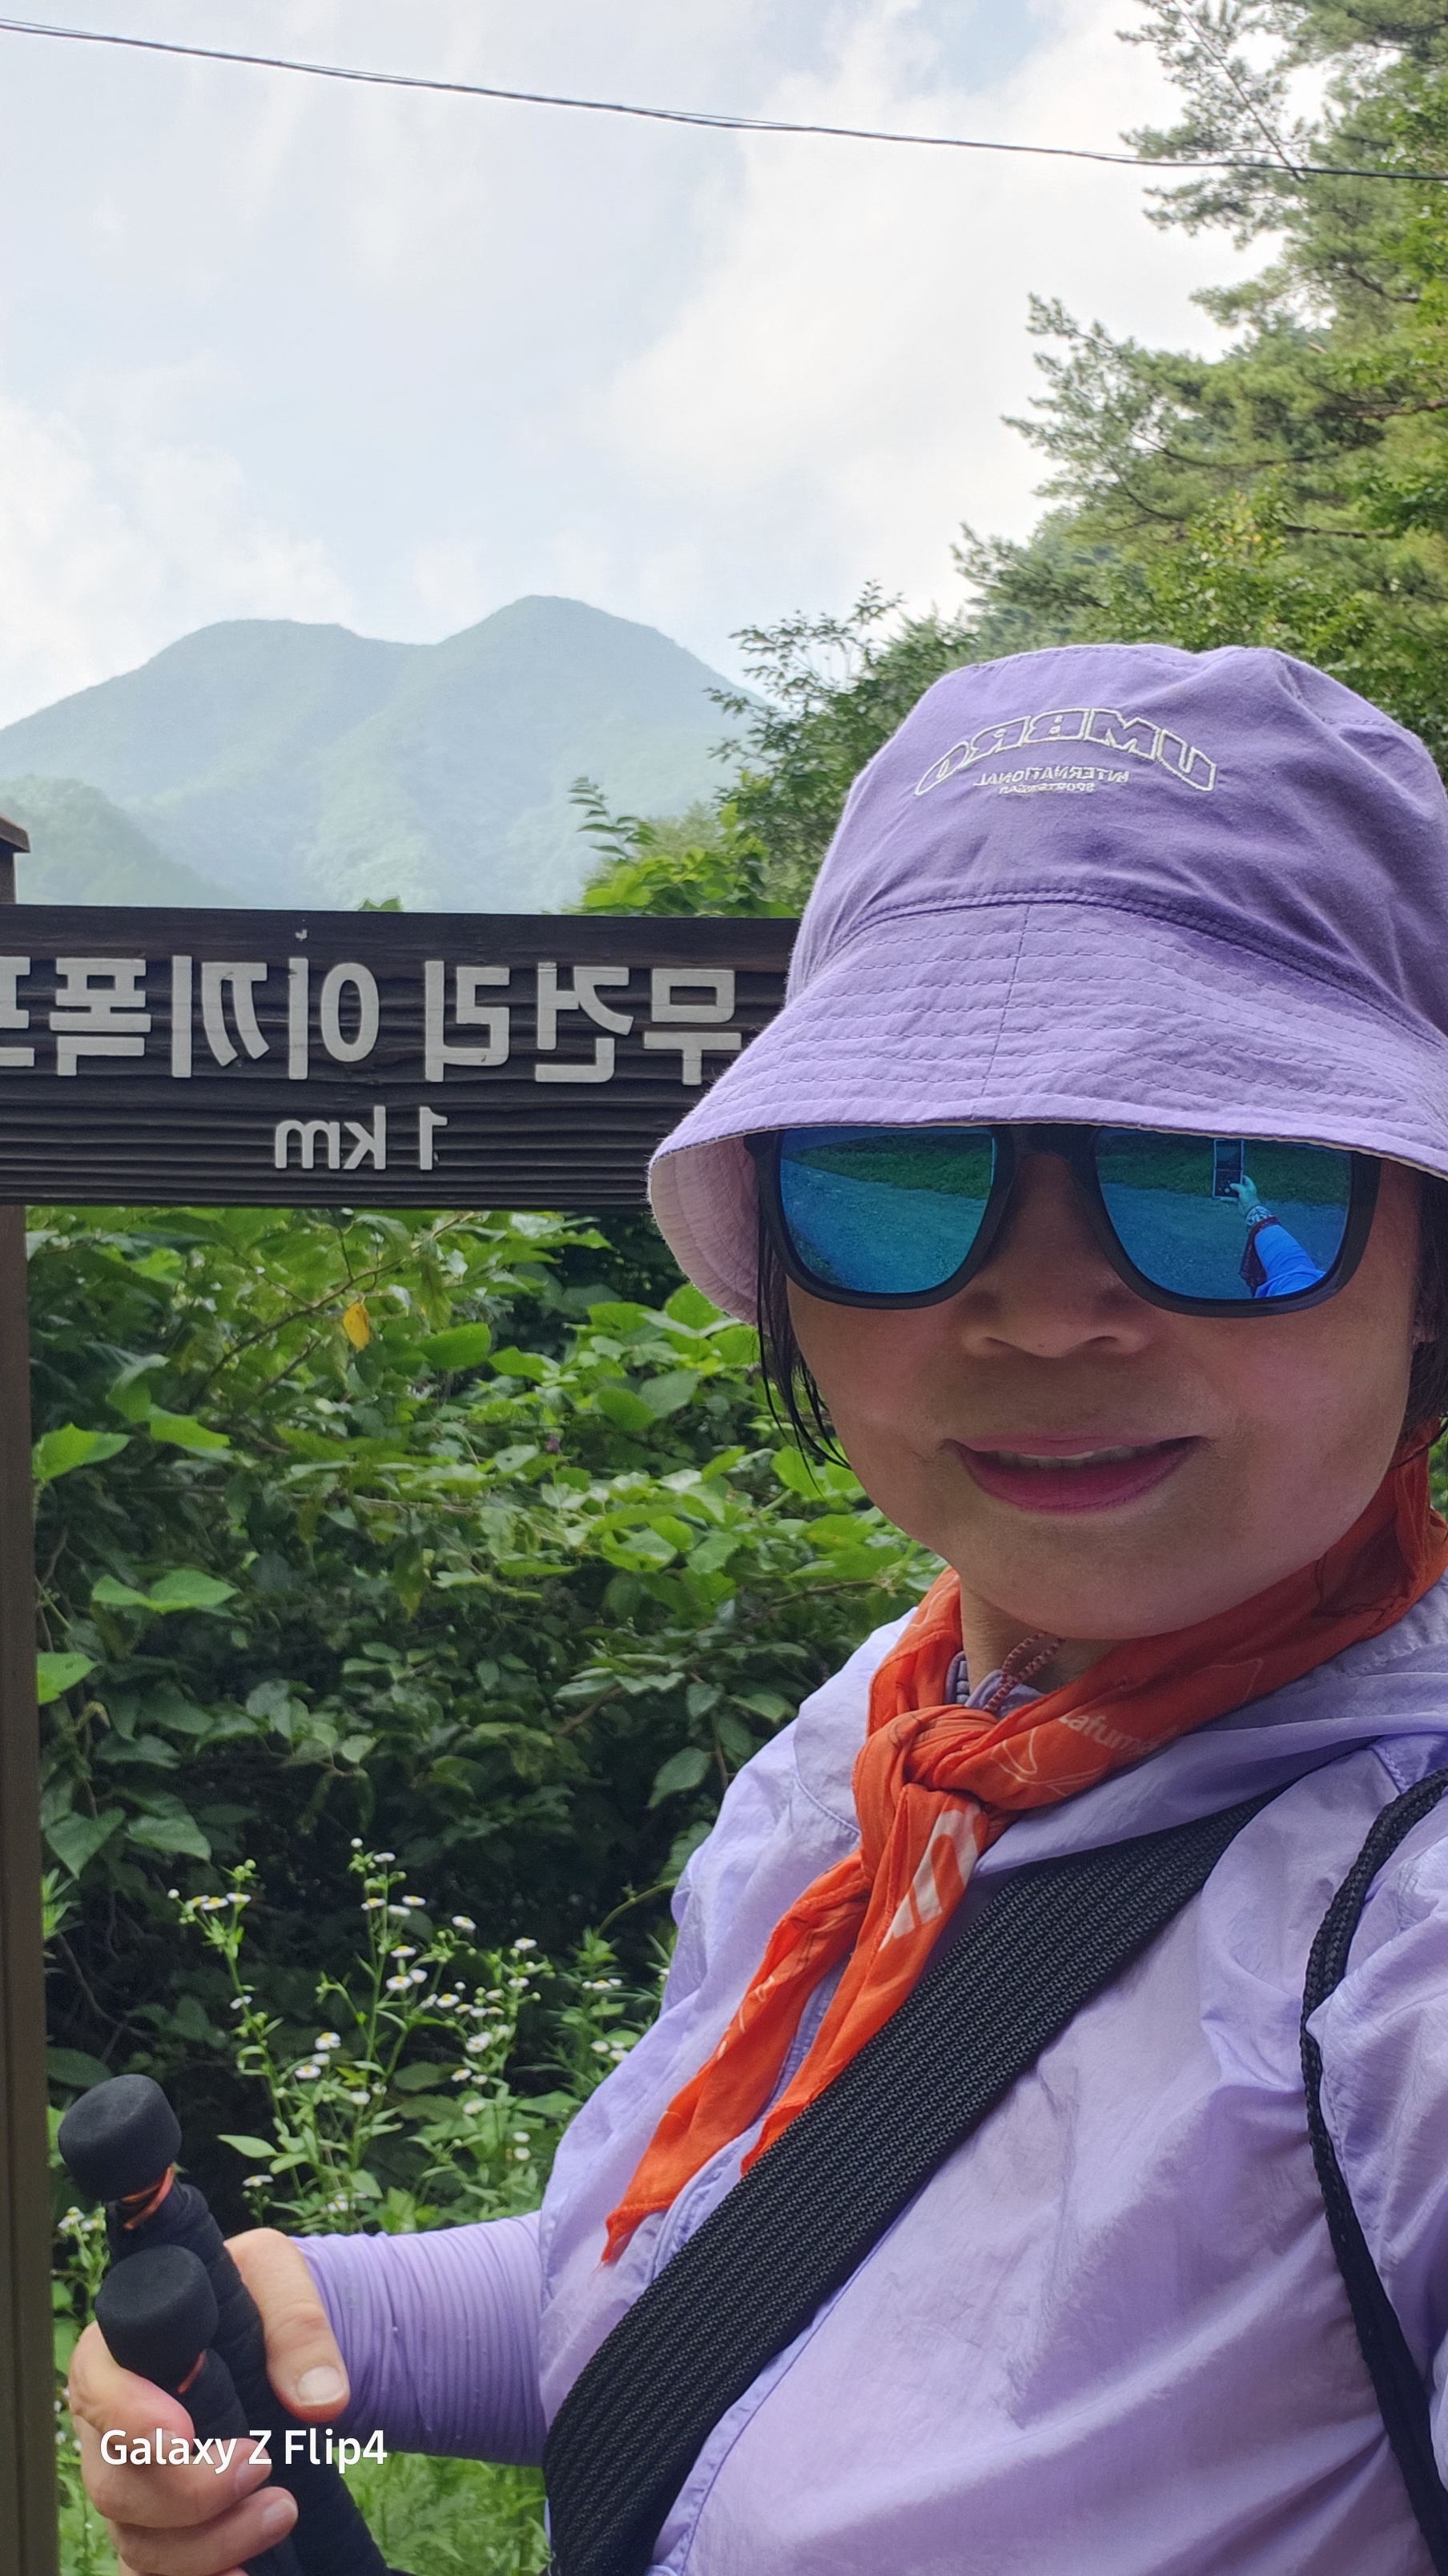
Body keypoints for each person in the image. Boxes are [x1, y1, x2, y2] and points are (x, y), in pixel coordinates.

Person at [69, 642, 1448, 2575]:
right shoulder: (879, 1733)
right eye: (899, 1180)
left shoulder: (1404, 1954)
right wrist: (323, 2328)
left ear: (1424, 1265)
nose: (1042, 1313)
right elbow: (738, 2279)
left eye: (1227, 1182)